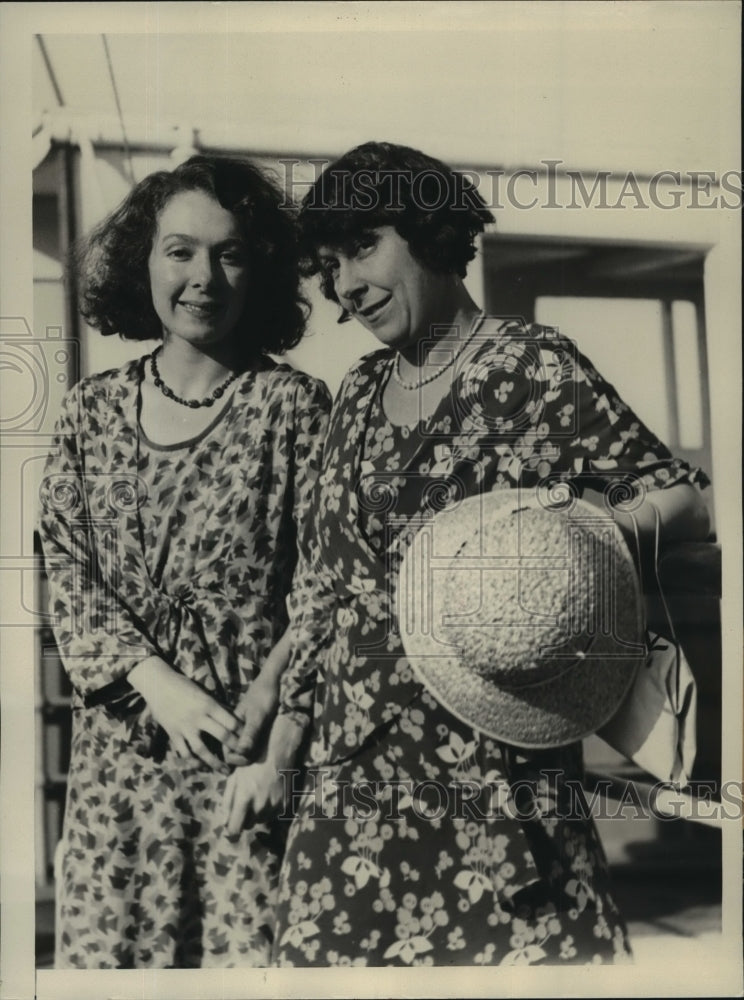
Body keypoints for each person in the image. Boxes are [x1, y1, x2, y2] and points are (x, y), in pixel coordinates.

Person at [226, 140, 712, 968]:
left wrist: (570, 540)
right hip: (349, 781)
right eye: (331, 266)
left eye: (364, 247)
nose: (348, 284)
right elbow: (321, 594)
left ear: (430, 230)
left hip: (497, 777)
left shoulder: (533, 366)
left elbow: (681, 500)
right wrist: (281, 753)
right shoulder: (358, 392)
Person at [38, 154, 331, 968]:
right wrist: (155, 683)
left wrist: (271, 718)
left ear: (259, 270)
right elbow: (67, 564)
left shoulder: (293, 408)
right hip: (118, 781)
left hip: (246, 771)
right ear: (145, 263)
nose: (204, 277)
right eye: (180, 251)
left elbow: (327, 584)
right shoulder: (91, 413)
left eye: (229, 254)